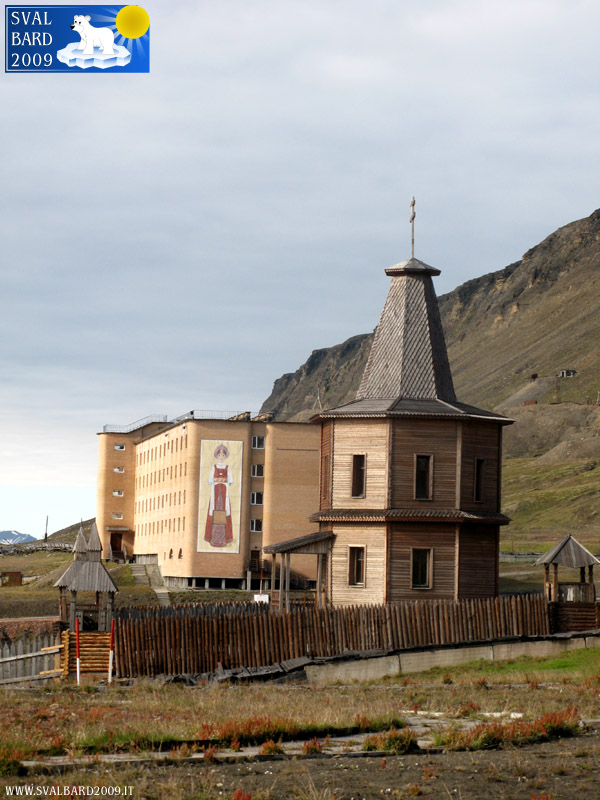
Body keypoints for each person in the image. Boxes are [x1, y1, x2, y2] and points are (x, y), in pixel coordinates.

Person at [204, 443, 234, 547]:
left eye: (223, 455)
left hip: (224, 491)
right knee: (213, 510)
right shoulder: (214, 467)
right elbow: (210, 480)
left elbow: (230, 480)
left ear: (225, 456)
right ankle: (212, 537)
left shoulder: (227, 467)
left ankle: (225, 538)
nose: (221, 457)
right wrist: (216, 481)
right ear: (217, 456)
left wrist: (225, 481)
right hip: (216, 491)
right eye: (219, 455)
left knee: (225, 511)